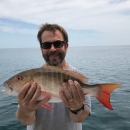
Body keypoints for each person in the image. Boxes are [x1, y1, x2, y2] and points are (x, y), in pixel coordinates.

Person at [16, 23, 91, 130]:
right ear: (41, 49)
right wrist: (26, 110)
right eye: (46, 45)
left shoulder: (78, 77)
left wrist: (76, 107)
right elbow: (25, 120)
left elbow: (79, 118)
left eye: (58, 44)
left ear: (66, 46)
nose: (52, 49)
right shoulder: (31, 77)